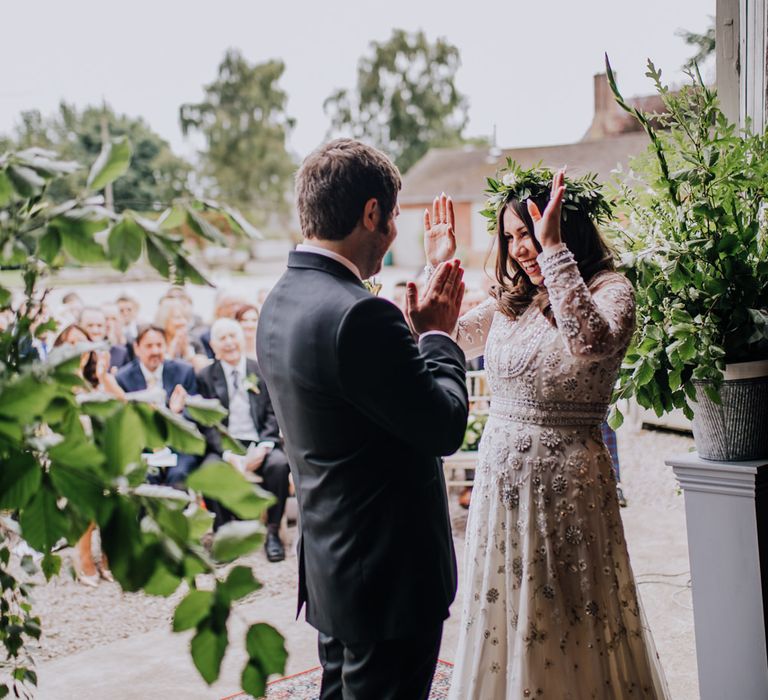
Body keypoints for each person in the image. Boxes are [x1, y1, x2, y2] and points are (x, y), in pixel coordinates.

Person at [424, 166, 669, 699]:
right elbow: (440, 334)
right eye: (512, 238)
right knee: (508, 607)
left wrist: (554, 251)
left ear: (564, 227)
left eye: (531, 233)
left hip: (568, 485)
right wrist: (438, 266)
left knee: (567, 607)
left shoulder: (612, 289)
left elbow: (590, 341)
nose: (521, 250)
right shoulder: (511, 301)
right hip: (499, 483)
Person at [256, 138, 469, 700]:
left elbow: (361, 398)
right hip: (389, 581)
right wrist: (439, 336)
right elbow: (443, 426)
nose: (396, 229)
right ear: (371, 213)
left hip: (335, 567)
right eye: (395, 215)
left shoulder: (281, 300)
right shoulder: (360, 314)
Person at [196, 318, 289, 562]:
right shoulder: (206, 376)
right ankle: (225, 534)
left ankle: (272, 534)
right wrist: (229, 455)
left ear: (242, 339)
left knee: (279, 464)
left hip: (258, 441)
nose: (229, 343)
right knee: (208, 469)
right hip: (225, 444)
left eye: (232, 336)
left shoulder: (258, 369)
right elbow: (207, 423)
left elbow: (273, 412)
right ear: (214, 346)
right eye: (222, 338)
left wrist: (265, 445)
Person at [53, 324, 124, 586]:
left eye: (82, 343)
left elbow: (123, 404)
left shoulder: (98, 377)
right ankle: (83, 556)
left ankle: (106, 554)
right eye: (70, 343)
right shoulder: (56, 380)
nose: (77, 348)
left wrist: (104, 377)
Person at [115, 324, 199, 487]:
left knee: (179, 476)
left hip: (179, 447)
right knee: (146, 478)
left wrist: (177, 413)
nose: (155, 351)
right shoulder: (123, 378)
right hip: (143, 449)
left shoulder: (184, 371)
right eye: (149, 346)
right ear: (137, 348)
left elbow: (195, 414)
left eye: (159, 345)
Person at [154, 297, 209, 371]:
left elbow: (204, 372)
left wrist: (188, 351)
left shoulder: (194, 341)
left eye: (185, 317)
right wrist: (173, 347)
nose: (183, 321)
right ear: (164, 319)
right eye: (178, 317)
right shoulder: (155, 342)